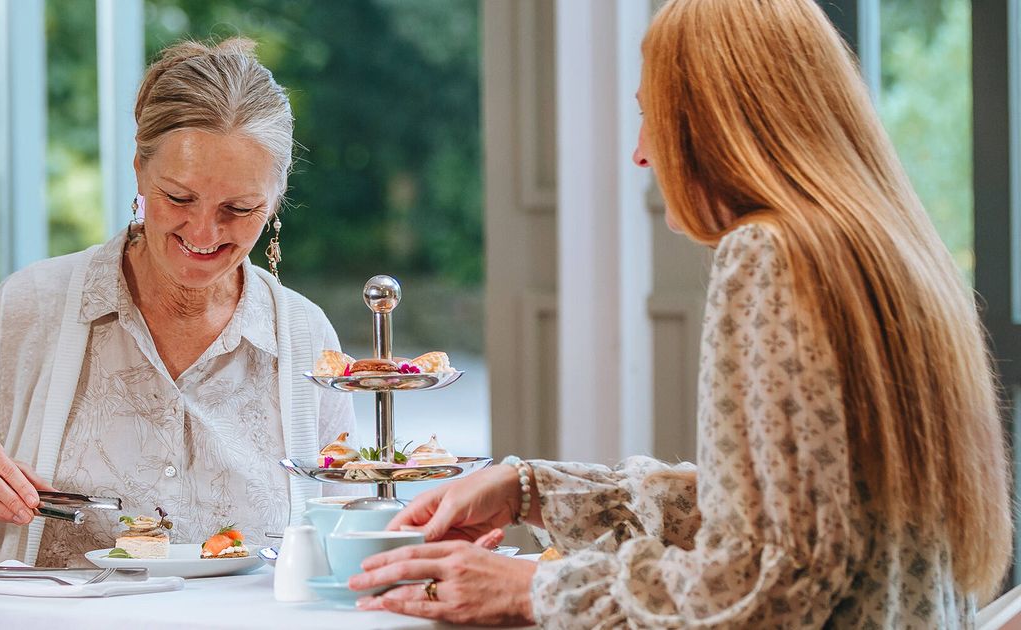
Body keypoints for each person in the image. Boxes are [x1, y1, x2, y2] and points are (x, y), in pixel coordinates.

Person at [349, 0, 1013, 626]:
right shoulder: (884, 250)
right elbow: (800, 514)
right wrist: (532, 490)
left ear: (720, 121)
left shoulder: (771, 254)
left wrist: (535, 589)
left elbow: (775, 583)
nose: (642, 151)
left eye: (654, 118)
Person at [0, 38, 356, 569]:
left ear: (275, 197)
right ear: (139, 169)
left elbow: (346, 536)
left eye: (239, 208)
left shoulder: (306, 339)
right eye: (179, 198)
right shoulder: (33, 307)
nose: (204, 232)